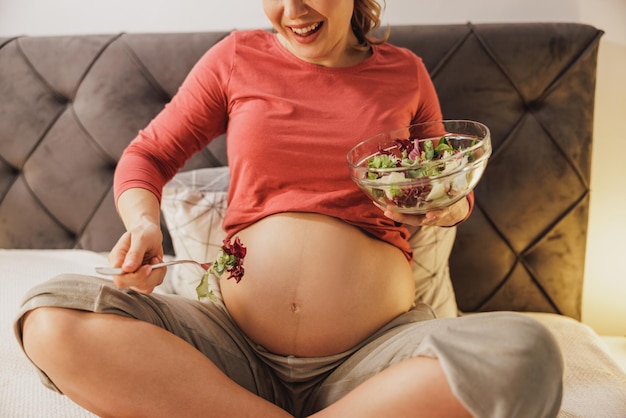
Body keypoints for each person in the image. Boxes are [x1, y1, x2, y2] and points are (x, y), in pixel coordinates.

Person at [15, 1, 564, 417]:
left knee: (527, 353)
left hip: (376, 357)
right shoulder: (236, 57)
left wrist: (442, 209)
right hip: (228, 350)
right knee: (46, 318)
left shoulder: (405, 73)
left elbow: (450, 186)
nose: (293, 10)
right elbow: (149, 155)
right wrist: (142, 223)